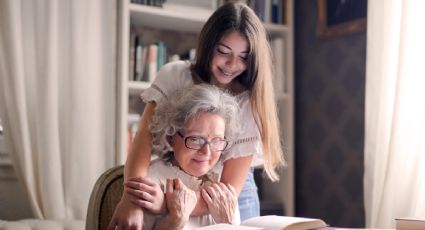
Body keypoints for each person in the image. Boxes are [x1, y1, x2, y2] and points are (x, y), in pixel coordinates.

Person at [109, 2, 285, 229]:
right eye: (223, 52)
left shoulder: (250, 102)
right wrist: (132, 199)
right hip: (174, 180)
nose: (232, 65)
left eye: (243, 57)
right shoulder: (175, 76)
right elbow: (144, 137)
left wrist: (166, 204)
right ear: (208, 46)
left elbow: (229, 188)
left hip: (228, 192)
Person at [119, 84, 241, 229]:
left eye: (216, 141)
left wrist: (227, 223)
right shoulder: (150, 182)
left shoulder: (222, 186)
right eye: (195, 139)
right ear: (171, 135)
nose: (206, 152)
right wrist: (174, 221)